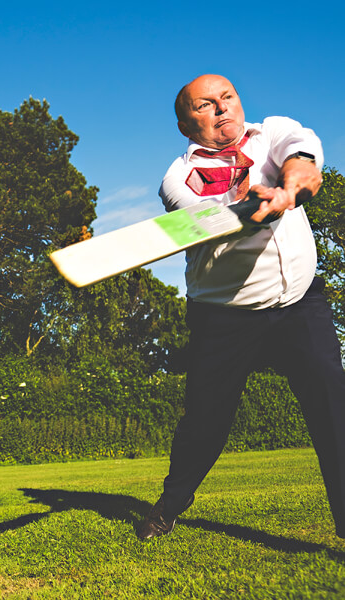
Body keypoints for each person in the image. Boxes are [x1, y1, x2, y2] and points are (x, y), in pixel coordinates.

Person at [137, 74, 345, 540]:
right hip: (224, 315)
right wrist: (254, 204)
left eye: (227, 98)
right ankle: (170, 505)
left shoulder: (272, 133)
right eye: (205, 106)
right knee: (205, 425)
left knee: (335, 406)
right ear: (185, 125)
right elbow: (217, 217)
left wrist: (293, 183)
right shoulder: (177, 179)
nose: (221, 109)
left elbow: (303, 157)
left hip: (299, 302)